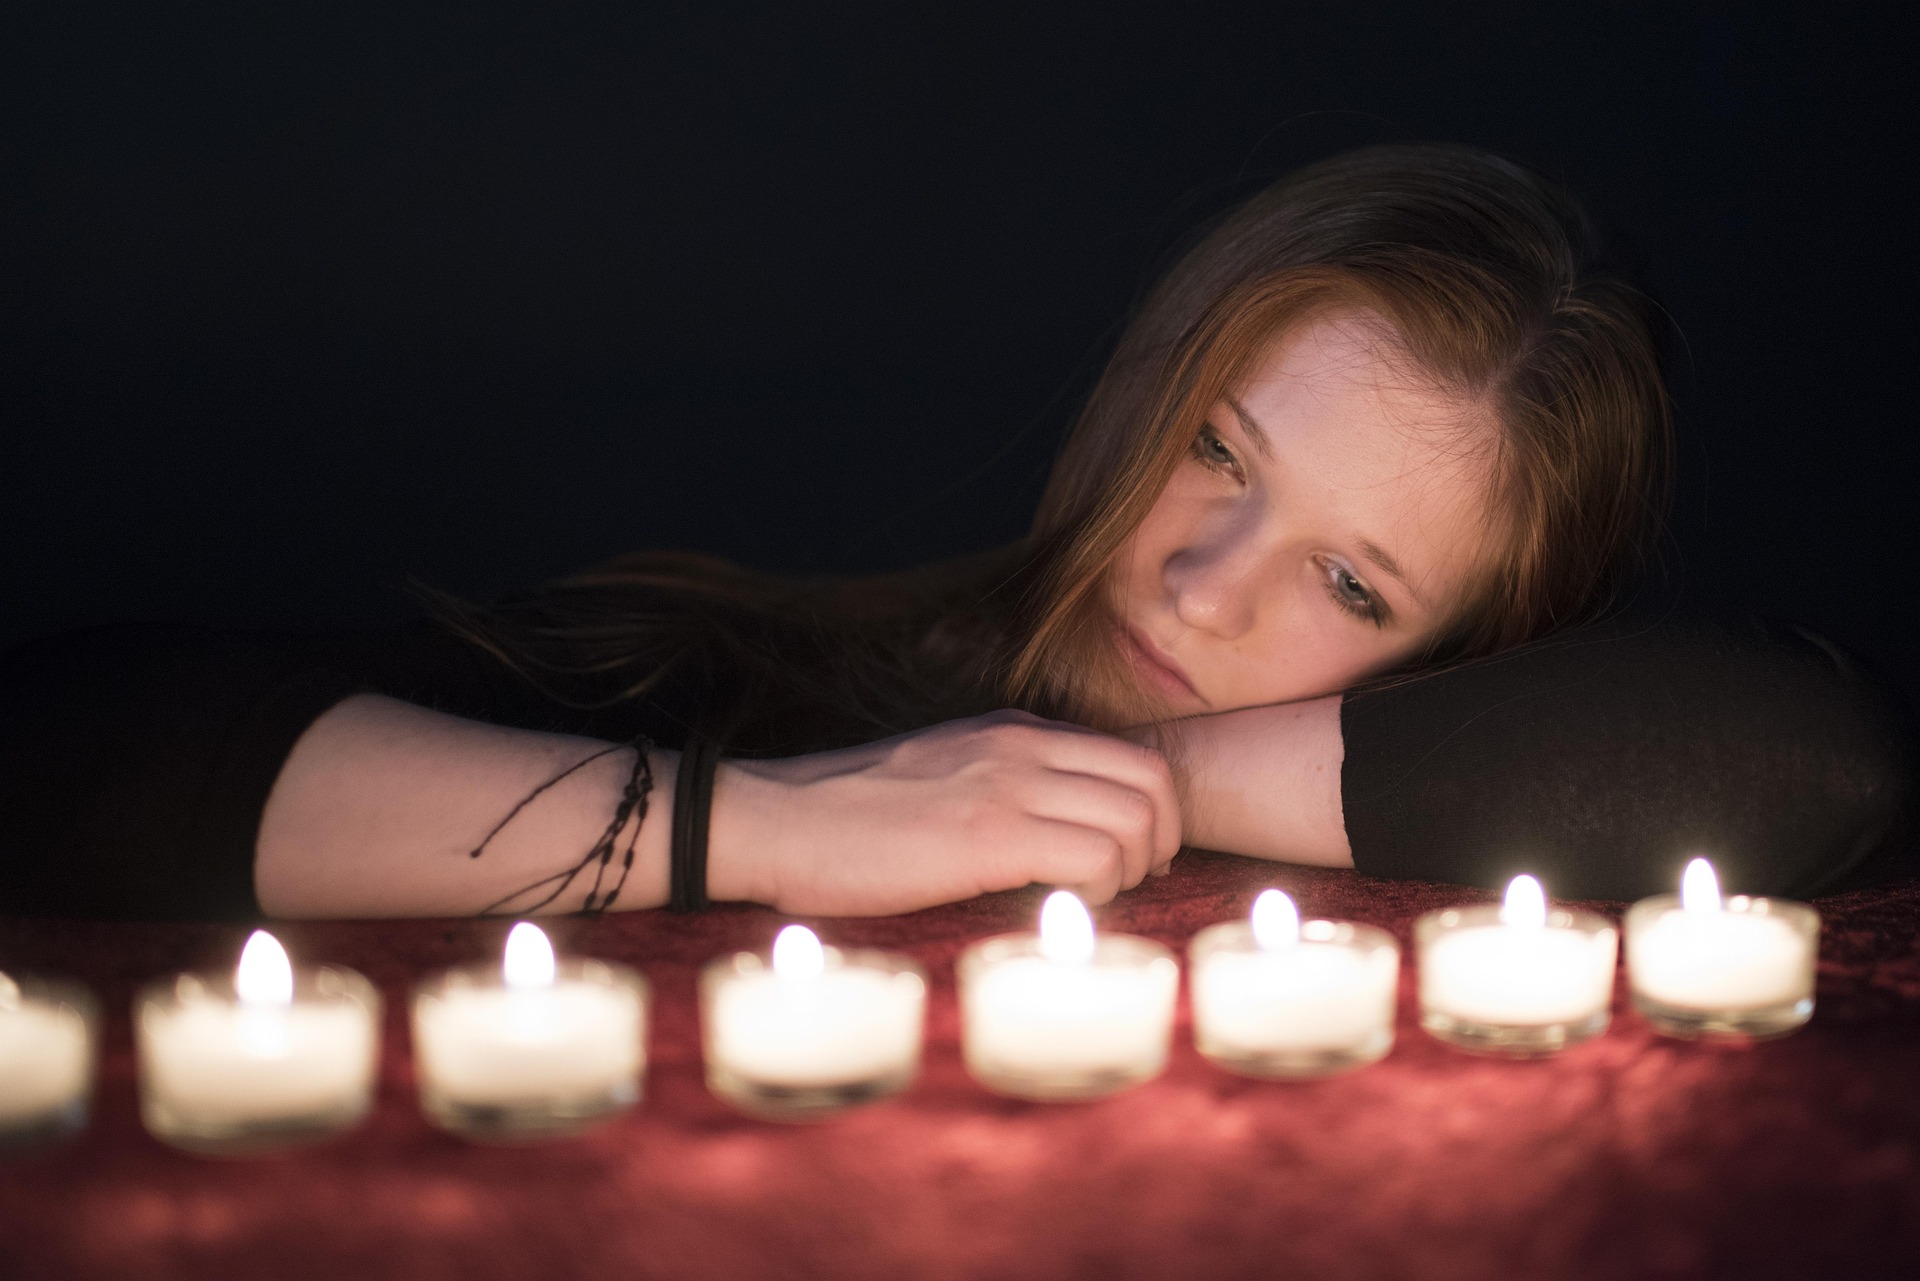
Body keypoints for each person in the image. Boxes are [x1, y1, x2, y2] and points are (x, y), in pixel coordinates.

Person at [1, 144, 1910, 922]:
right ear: (1153, 385)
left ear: (1468, 656)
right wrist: (792, 823)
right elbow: (72, 747)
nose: (1194, 585)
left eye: (1348, 581)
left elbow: (1810, 757)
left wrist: (1145, 776)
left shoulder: (1478, 832)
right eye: (1220, 455)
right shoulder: (753, 665)